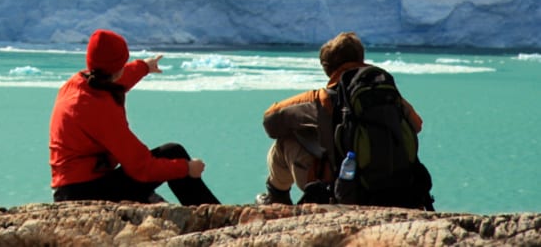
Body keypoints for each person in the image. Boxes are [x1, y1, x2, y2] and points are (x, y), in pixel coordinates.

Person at [49, 29, 220, 204]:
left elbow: (120, 79)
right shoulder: (97, 109)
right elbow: (141, 167)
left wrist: (145, 66)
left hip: (72, 187)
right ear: (117, 69)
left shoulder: (79, 84)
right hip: (84, 194)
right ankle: (218, 219)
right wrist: (186, 168)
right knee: (172, 153)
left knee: (168, 160)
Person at [257, 31, 425, 206]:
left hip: (343, 189)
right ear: (361, 57)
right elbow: (417, 125)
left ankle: (277, 196)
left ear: (327, 68)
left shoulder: (322, 99)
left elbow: (271, 121)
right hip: (398, 187)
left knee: (286, 141)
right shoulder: (388, 93)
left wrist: (312, 128)